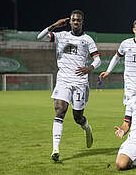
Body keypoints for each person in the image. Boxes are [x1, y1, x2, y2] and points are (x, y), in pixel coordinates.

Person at [37, 10, 101, 162]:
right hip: (63, 80)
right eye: (73, 20)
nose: (76, 22)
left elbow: (97, 59)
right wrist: (53, 25)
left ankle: (86, 128)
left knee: (77, 117)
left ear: (82, 22)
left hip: (80, 82)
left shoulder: (87, 39)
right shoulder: (61, 36)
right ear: (70, 22)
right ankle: (55, 149)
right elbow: (40, 37)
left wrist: (89, 68)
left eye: (78, 20)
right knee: (60, 110)